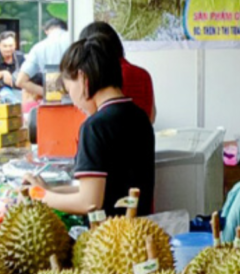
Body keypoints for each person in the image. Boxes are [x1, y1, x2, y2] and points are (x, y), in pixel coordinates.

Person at [24, 35, 154, 216]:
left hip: (109, 238)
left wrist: (40, 195)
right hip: (138, 233)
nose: (75, 102)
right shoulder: (139, 117)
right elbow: (102, 189)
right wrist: (50, 191)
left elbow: (89, 202)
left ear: (83, 78)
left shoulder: (94, 127)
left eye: (70, 90)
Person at [80, 21, 156, 122]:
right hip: (144, 135)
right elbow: (152, 116)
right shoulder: (144, 74)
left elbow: (95, 119)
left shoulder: (103, 77)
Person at [16, 19, 70, 100]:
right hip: (79, 98)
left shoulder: (38, 47)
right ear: (66, 28)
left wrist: (48, 93)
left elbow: (20, 81)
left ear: (46, 31)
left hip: (54, 99)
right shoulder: (75, 39)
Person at [0, 31, 25, 103]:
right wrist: (3, 73)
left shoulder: (20, 56)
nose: (8, 49)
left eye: (10, 46)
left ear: (15, 45)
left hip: (19, 90)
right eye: (5, 46)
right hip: (1, 91)